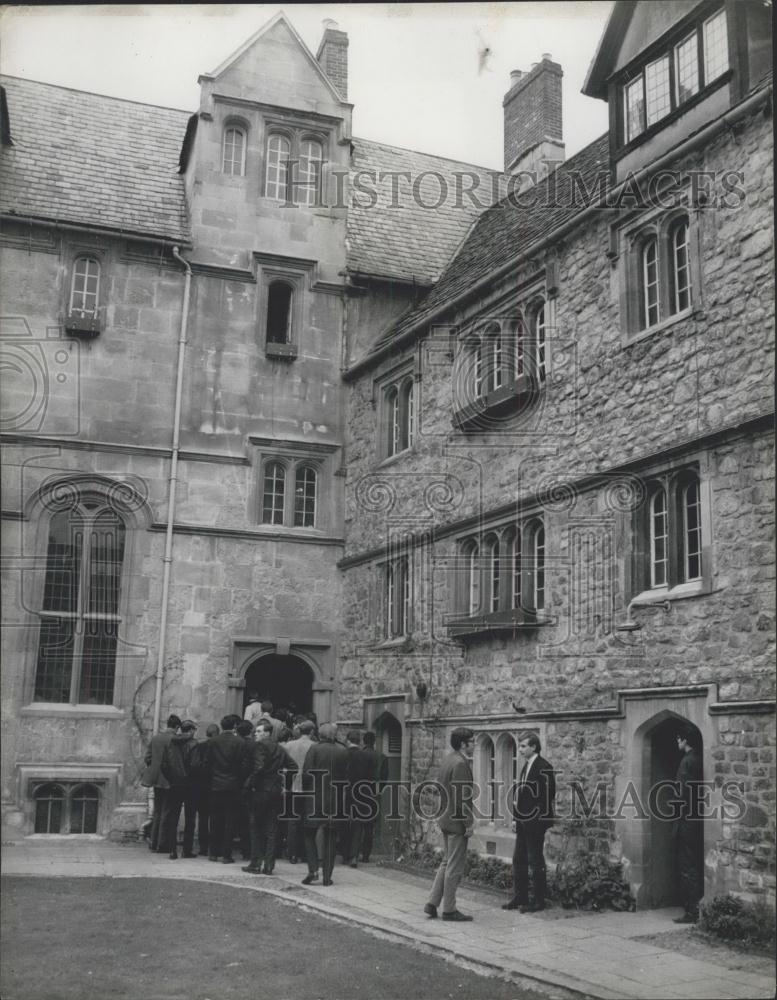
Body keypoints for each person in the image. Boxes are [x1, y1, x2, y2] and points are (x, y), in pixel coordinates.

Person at [424, 727, 475, 922]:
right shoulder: (461, 763)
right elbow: (462, 797)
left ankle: (432, 903)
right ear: (463, 744)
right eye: (472, 742)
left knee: (447, 861)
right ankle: (449, 909)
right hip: (456, 821)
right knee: (455, 865)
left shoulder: (448, 759)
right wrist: (468, 823)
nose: (474, 745)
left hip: (445, 818)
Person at [502, 733, 555, 914]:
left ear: (534, 747)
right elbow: (521, 796)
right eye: (520, 746)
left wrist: (533, 819)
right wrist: (517, 819)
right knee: (519, 859)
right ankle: (521, 896)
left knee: (535, 859)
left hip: (535, 823)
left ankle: (539, 900)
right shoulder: (526, 766)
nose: (521, 749)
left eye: (524, 746)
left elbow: (548, 796)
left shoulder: (544, 766)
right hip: (523, 822)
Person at [242, 721, 295, 875]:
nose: (255, 734)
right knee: (272, 830)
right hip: (275, 791)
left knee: (256, 827)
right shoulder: (279, 748)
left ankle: (255, 863)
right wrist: (285, 785)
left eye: (258, 731)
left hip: (260, 791)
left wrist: (249, 783)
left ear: (266, 733)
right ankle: (269, 866)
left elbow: (258, 768)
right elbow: (293, 767)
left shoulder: (260, 746)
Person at [301, 722, 349, 887]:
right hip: (335, 799)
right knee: (330, 837)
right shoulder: (343, 751)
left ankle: (313, 870)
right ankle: (327, 876)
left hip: (315, 797)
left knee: (309, 834)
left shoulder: (314, 749)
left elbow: (306, 774)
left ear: (320, 735)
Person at [206, 714, 250, 863]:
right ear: (235, 726)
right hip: (233, 785)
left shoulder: (212, 741)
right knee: (230, 821)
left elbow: (206, 763)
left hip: (215, 784)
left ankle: (213, 852)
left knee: (215, 819)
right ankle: (226, 854)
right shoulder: (240, 742)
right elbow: (245, 765)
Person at [673, 726, 704, 923]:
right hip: (698, 818)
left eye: (678, 739)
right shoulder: (700, 759)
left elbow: (683, 794)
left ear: (685, 741)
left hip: (687, 820)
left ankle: (692, 911)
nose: (677, 743)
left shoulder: (687, 762)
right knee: (694, 863)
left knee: (687, 865)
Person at [141, 714, 182, 852]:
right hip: (169, 779)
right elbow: (175, 762)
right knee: (167, 812)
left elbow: (148, 758)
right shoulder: (175, 740)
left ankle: (153, 842)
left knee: (158, 811)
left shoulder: (156, 738)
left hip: (155, 779)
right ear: (177, 727)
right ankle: (162, 844)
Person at [159, 719, 199, 859]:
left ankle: (172, 850)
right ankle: (186, 850)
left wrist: (171, 778)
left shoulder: (171, 743)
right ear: (192, 730)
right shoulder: (194, 744)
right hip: (190, 785)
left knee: (173, 817)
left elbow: (164, 765)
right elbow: (195, 766)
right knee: (190, 818)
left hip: (175, 784)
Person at [284, 720, 317, 864]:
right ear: (311, 732)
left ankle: (292, 853)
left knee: (293, 820)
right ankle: (305, 853)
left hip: (292, 786)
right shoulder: (315, 746)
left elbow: (284, 766)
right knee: (307, 820)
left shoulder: (289, 745)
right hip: (309, 788)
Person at [342, 730, 374, 868]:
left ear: (348, 740)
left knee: (345, 823)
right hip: (363, 793)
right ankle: (354, 855)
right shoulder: (365, 756)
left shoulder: (343, 754)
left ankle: (346, 854)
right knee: (357, 825)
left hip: (347, 792)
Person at [358, 731, 388, 863]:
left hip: (358, 792)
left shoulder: (358, 755)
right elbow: (384, 779)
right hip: (373, 793)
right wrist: (377, 790)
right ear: (374, 742)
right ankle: (366, 855)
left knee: (357, 824)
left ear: (364, 741)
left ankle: (354, 853)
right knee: (369, 826)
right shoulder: (382, 756)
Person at [189, 722, 219, 856]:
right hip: (215, 786)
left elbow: (194, 765)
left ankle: (203, 846)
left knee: (202, 817)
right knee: (215, 818)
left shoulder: (199, 747)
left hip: (200, 786)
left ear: (206, 734)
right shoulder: (219, 748)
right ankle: (215, 846)